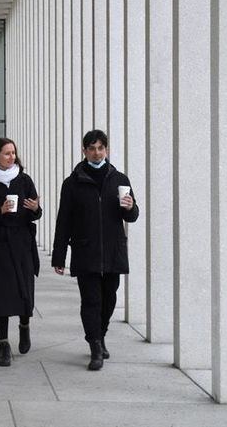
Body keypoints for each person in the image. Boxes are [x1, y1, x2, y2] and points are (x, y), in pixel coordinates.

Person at [51, 129, 139, 370]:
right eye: (92, 148)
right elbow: (64, 221)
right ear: (84, 151)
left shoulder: (120, 179)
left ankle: (100, 335)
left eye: (100, 148)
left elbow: (132, 216)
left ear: (106, 150)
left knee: (109, 298)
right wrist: (59, 256)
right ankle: (95, 347)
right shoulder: (72, 183)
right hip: (85, 250)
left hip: (113, 250)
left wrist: (130, 208)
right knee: (91, 300)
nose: (96, 152)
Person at [0, 138, 42, 367]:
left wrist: (36, 209)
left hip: (22, 243)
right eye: (6, 153)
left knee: (24, 291)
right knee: (0, 295)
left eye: (13, 152)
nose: (11, 157)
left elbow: (35, 212)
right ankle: (3, 344)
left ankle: (24, 326)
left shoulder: (24, 180)